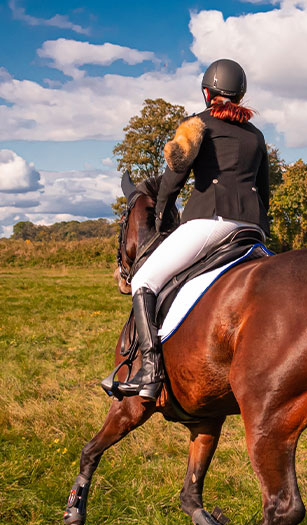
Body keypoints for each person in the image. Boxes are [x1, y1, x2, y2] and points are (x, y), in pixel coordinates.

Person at [117, 59, 270, 401]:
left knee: (144, 280)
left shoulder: (195, 125)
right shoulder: (256, 136)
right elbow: (265, 189)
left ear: (206, 92)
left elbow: (173, 178)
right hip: (253, 230)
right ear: (240, 94)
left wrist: (159, 213)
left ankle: (151, 370)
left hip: (210, 223)